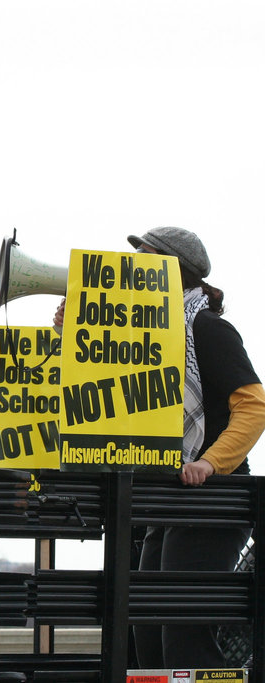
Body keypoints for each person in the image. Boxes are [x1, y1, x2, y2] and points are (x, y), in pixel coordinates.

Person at [111, 227, 265, 670]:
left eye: (143, 258)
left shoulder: (208, 329)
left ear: (172, 271)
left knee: (183, 636)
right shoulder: (146, 334)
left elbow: (253, 407)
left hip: (214, 500)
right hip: (171, 500)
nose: (131, 267)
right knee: (146, 631)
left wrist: (211, 463)